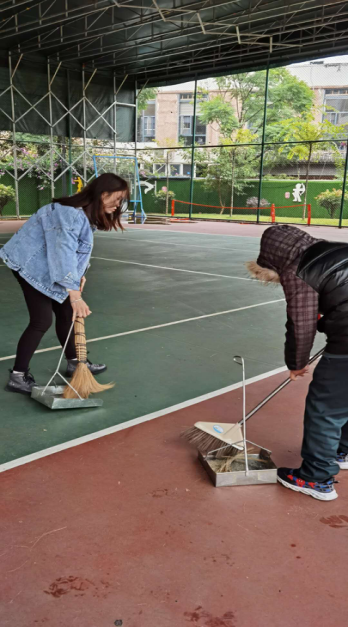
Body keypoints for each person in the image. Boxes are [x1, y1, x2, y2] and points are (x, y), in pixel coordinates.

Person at [0, 173, 129, 395]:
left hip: (49, 265)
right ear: (103, 194)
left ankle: (75, 363)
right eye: (117, 199)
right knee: (41, 321)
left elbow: (74, 254)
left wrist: (79, 277)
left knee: (66, 311)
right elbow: (62, 253)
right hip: (30, 265)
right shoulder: (69, 215)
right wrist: (74, 293)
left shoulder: (83, 215)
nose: (119, 205)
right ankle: (18, 376)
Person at [247, 223, 348, 502]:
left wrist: (295, 363)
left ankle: (316, 478)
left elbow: (301, 325)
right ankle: (343, 449)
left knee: (325, 407)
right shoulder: (336, 250)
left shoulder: (298, 271)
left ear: (274, 257)